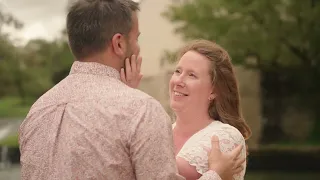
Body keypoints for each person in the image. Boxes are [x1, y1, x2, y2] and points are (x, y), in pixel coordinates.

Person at [18, 0, 244, 180]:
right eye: (136, 38)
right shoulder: (142, 111)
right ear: (118, 44)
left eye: (191, 74)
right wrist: (216, 176)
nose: (137, 47)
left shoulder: (37, 111)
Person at [123, 40, 251, 180]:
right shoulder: (163, 132)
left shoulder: (226, 136)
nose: (178, 81)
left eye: (192, 75)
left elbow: (158, 171)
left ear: (214, 90)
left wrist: (128, 98)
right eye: (178, 71)